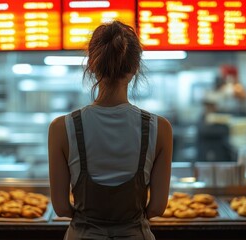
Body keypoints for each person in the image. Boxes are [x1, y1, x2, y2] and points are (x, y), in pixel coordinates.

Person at [48, 21, 173, 239]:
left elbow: (60, 208)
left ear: (92, 65)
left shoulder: (61, 128)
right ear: (135, 68)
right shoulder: (160, 128)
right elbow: (156, 208)